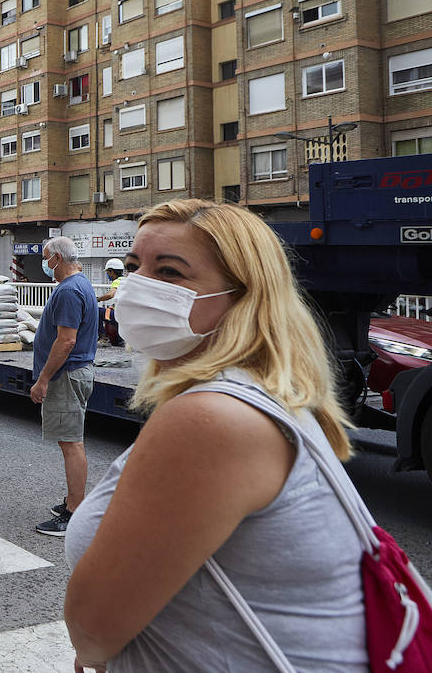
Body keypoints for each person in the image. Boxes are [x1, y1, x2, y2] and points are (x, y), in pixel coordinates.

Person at [64, 200, 364, 671]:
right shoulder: (256, 398)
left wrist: (92, 647)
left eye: (170, 272)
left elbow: (94, 626)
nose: (139, 285)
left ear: (242, 297)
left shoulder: (213, 418)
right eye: (133, 267)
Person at [29, 235, 98, 536]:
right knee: (70, 441)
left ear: (57, 258)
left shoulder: (69, 291)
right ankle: (73, 501)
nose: (44, 263)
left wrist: (43, 380)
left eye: (46, 257)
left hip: (67, 375)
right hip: (73, 373)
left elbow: (66, 340)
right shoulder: (79, 284)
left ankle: (74, 513)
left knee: (71, 443)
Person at [96, 257, 125, 347]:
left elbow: (110, 295)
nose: (108, 275)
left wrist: (97, 299)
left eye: (108, 272)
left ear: (112, 271)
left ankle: (103, 337)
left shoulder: (117, 281)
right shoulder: (126, 280)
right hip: (127, 313)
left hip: (119, 315)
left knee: (96, 311)